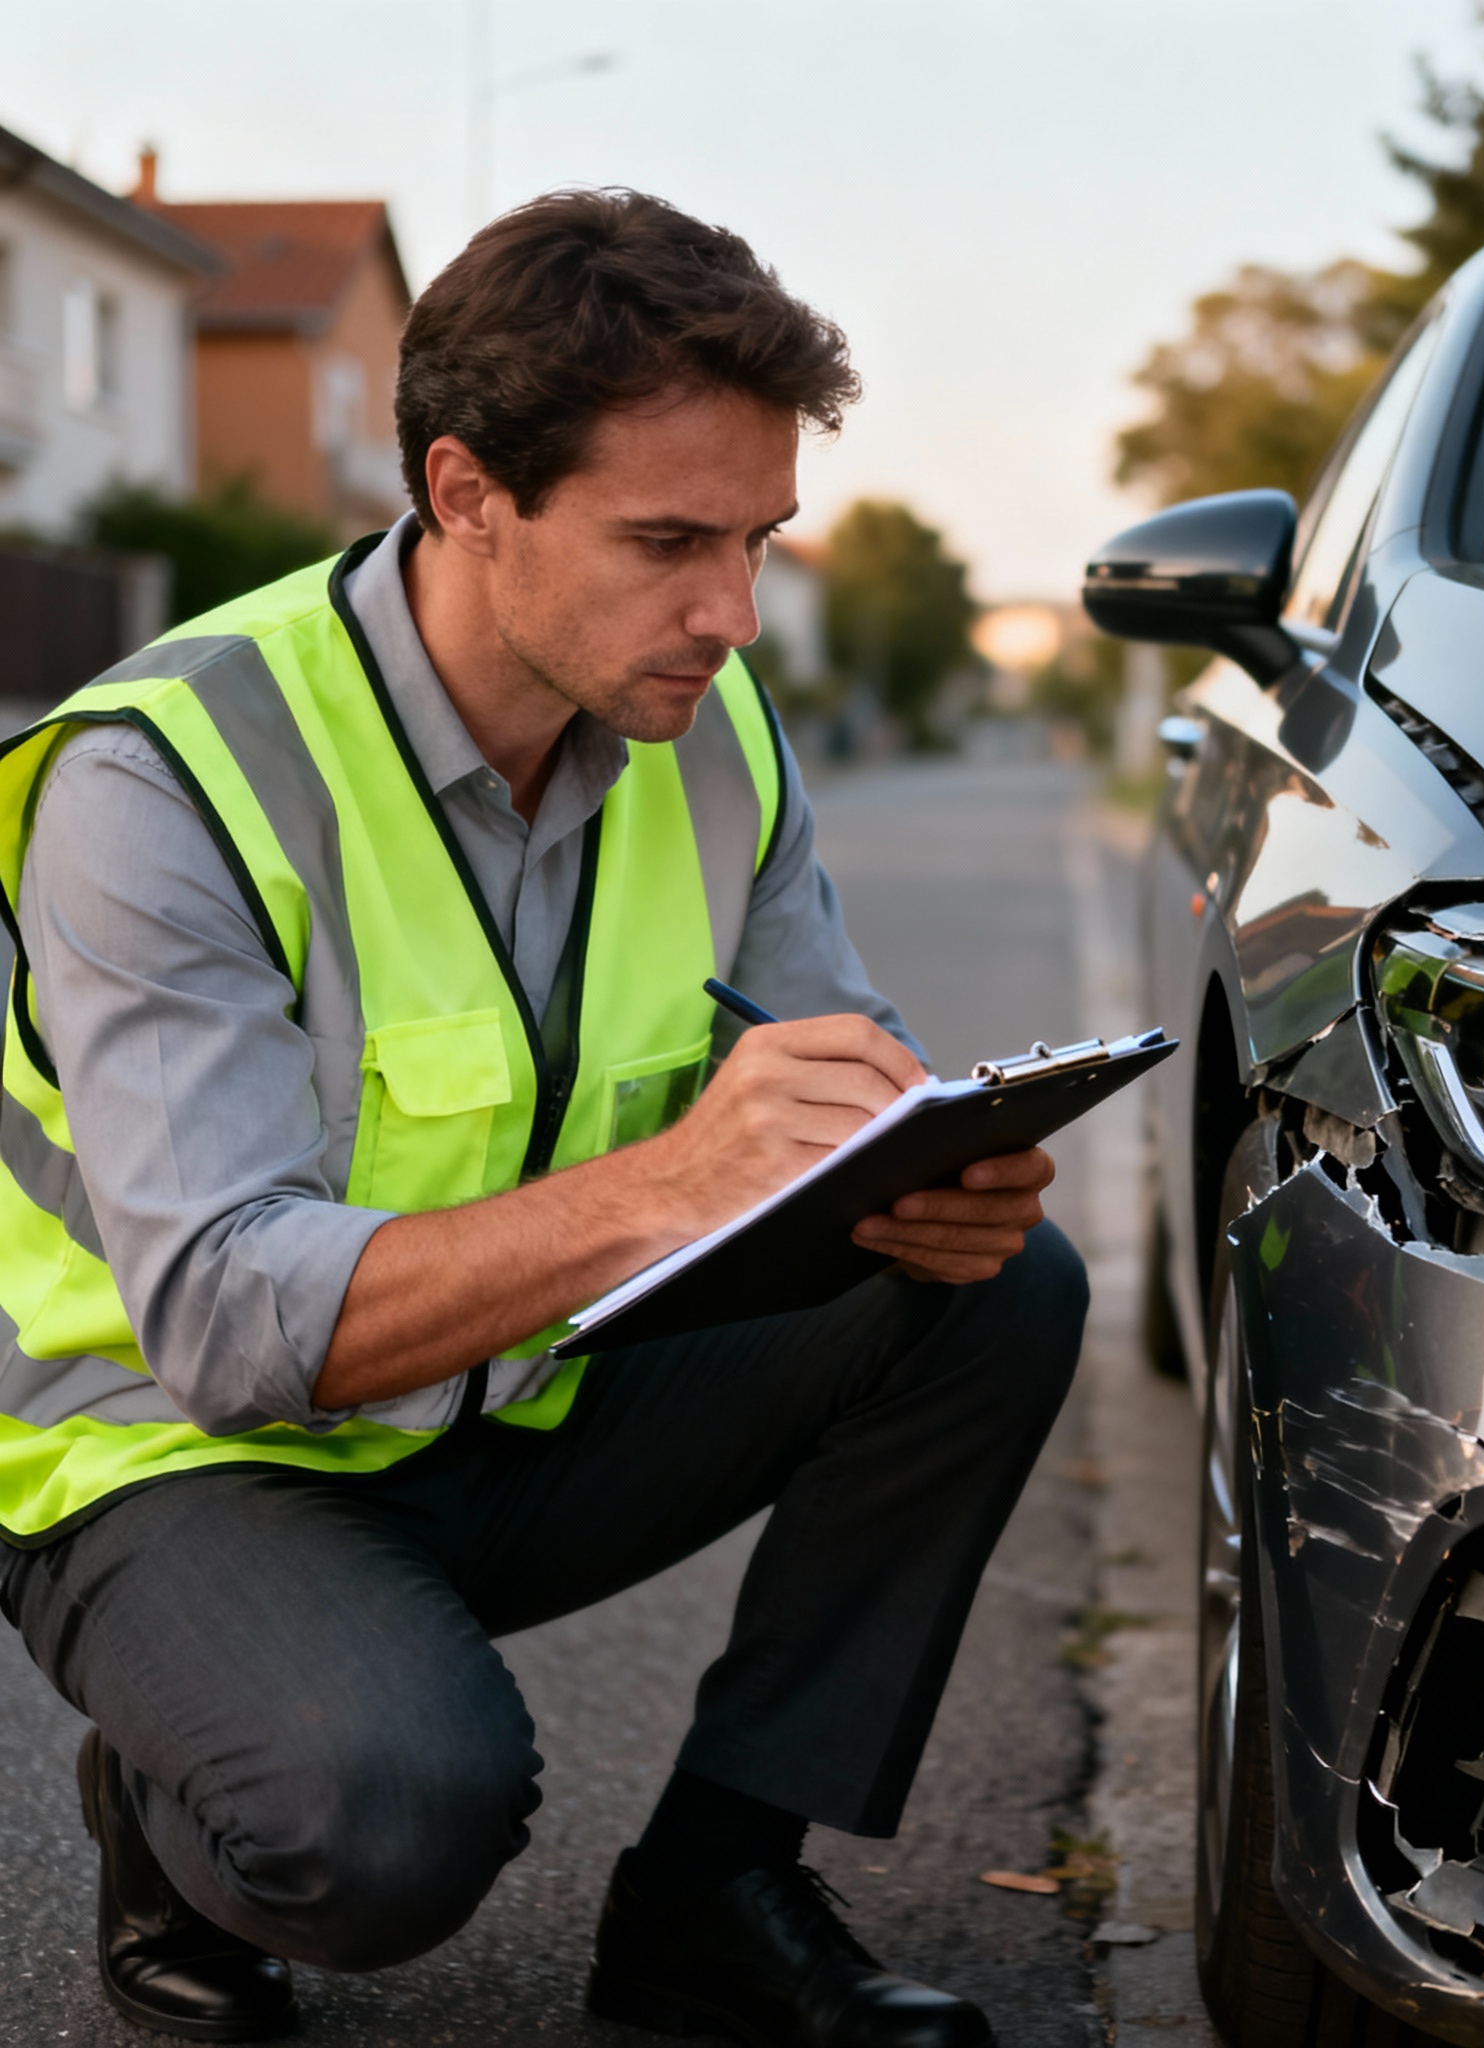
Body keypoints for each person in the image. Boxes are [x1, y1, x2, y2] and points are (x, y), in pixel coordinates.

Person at [0, 189, 1088, 2046]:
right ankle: (168, 1805)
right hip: (170, 1455)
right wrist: (668, 1187)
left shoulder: (714, 737)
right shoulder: (165, 776)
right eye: (670, 541)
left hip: (505, 1388)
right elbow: (229, 1327)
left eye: (759, 541)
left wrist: (923, 1177)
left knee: (1005, 1293)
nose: (734, 617)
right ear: (466, 491)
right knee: (383, 1824)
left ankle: (714, 1899)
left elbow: (831, 1084)